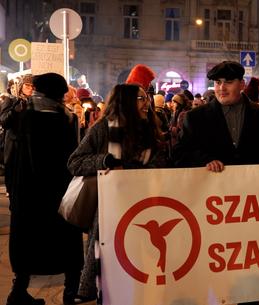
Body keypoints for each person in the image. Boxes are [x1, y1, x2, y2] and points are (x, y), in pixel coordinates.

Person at [172, 61, 259, 305]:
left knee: (248, 270)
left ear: (241, 85)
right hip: (213, 211)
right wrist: (205, 161)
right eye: (217, 82)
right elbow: (179, 155)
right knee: (215, 272)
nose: (221, 88)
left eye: (228, 82)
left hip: (252, 208)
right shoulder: (195, 117)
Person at [67, 83, 168, 303]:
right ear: (126, 102)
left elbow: (161, 164)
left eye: (146, 98)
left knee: (140, 269)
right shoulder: (103, 128)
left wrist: (134, 174)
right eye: (141, 99)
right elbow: (74, 162)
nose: (146, 103)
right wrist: (105, 161)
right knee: (110, 269)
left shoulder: (151, 128)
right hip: (110, 211)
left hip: (145, 207)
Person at [7, 73, 84, 305]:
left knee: (26, 242)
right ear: (60, 94)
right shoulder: (67, 119)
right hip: (59, 192)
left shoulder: (23, 117)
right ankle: (71, 292)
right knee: (67, 244)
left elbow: (13, 154)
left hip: (28, 194)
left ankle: (19, 293)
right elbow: (72, 157)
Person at [0, 74, 34, 196]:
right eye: (27, 85)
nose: (30, 88)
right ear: (21, 86)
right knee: (13, 173)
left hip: (29, 143)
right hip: (14, 143)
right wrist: (14, 111)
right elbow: (4, 121)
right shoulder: (11, 100)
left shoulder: (35, 102)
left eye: (32, 86)